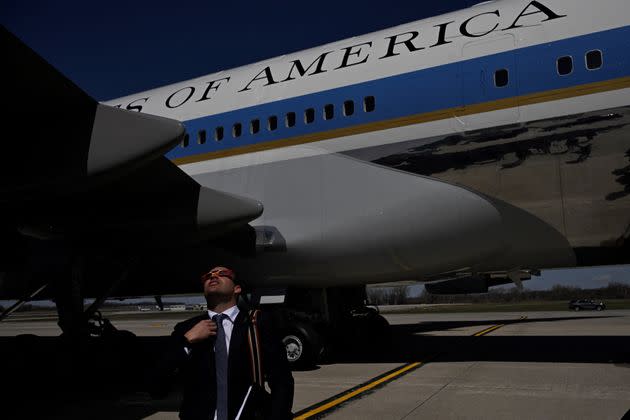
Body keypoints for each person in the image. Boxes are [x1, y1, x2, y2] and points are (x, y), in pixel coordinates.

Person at [153, 266, 294, 420]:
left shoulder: (257, 324)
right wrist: (187, 342)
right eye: (207, 276)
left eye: (222, 273)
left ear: (237, 288)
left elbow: (281, 381)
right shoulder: (185, 329)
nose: (213, 276)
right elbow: (157, 385)